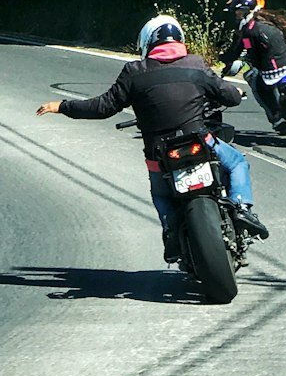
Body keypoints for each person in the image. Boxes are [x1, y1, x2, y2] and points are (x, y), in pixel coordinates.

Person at [37, 14, 269, 263]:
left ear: (147, 43)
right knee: (236, 163)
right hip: (200, 141)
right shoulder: (196, 64)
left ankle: (171, 231)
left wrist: (62, 106)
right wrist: (234, 91)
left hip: (160, 153)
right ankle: (243, 209)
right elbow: (231, 97)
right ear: (180, 39)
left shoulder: (134, 71)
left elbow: (103, 106)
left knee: (161, 194)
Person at [221, 0, 286, 135]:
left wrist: (223, 58)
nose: (237, 15)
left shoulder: (247, 30)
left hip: (270, 71)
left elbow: (237, 51)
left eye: (239, 11)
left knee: (257, 83)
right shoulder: (270, 17)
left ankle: (276, 114)